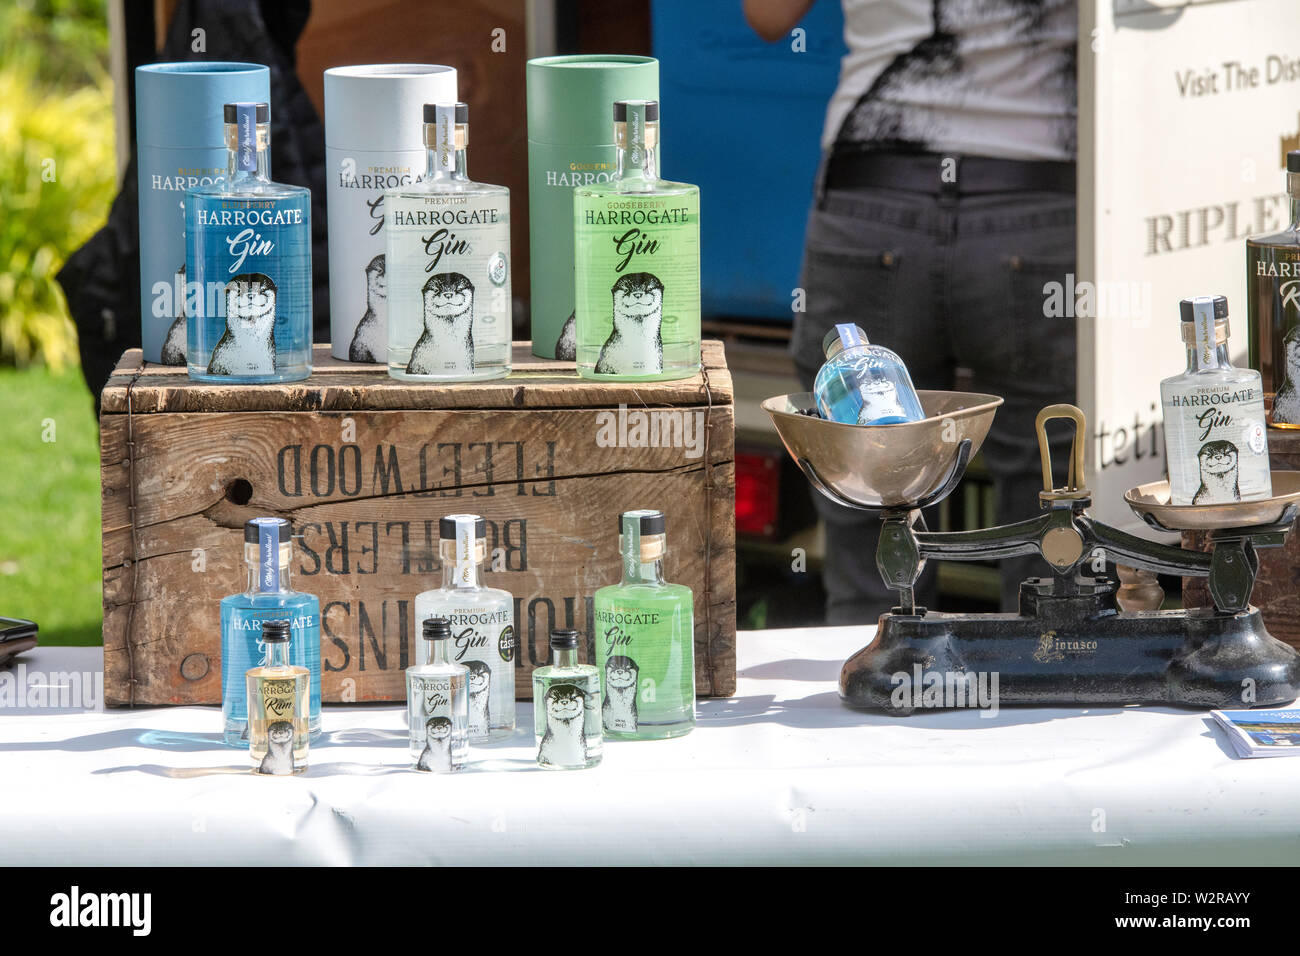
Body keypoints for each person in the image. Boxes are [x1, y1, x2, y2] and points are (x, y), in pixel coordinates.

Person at [746, 0, 1079, 622]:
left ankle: (882, 687)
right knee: (1052, 522)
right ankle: (1048, 691)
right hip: (1037, 200)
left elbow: (767, 16)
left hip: (872, 193)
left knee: (868, 505)